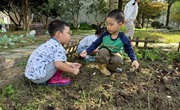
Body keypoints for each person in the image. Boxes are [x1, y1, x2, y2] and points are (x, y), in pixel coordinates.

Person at [80, 9, 139, 76]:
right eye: (107, 24)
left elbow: (129, 49)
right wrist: (87, 51)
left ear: (119, 25)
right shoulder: (105, 34)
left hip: (115, 53)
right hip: (105, 53)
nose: (108, 27)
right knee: (103, 51)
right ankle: (102, 67)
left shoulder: (123, 37)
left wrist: (134, 60)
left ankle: (111, 68)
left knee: (118, 60)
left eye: (111, 25)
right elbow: (96, 43)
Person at [25, 19, 82, 86]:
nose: (70, 36)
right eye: (68, 33)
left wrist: (70, 64)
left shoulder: (50, 44)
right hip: (40, 78)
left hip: (33, 77)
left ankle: (48, 78)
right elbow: (59, 64)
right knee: (61, 59)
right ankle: (55, 79)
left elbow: (54, 60)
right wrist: (73, 71)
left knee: (59, 60)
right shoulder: (58, 48)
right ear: (58, 34)